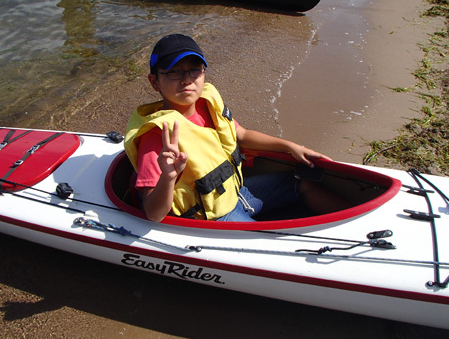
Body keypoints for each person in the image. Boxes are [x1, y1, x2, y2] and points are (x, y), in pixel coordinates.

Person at [124, 34, 342, 223]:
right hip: (213, 216)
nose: (186, 80)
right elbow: (153, 213)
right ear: (154, 82)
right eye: (174, 72)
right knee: (268, 242)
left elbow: (241, 135)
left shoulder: (206, 105)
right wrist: (169, 176)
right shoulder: (158, 137)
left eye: (194, 70)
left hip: (236, 192)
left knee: (302, 182)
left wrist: (290, 146)